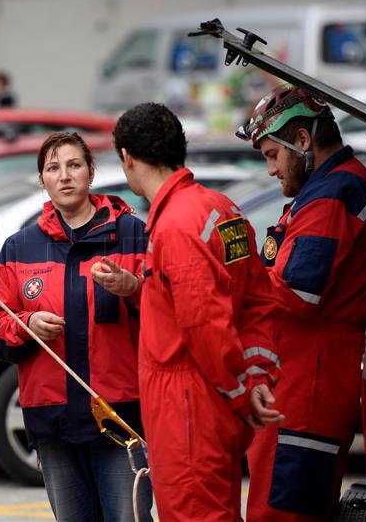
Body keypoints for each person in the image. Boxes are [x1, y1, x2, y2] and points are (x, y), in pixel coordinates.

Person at [111, 102, 284, 521]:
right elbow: (257, 300)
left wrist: (242, 390)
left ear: (127, 158)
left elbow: (205, 324)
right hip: (211, 405)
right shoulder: (221, 210)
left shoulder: (175, 225)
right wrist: (255, 376)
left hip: (186, 408)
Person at [0, 132, 153, 522]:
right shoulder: (20, 246)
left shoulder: (133, 234)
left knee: (130, 518)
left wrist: (135, 290)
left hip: (121, 419)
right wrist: (26, 324)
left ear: (91, 172)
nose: (65, 176)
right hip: (52, 422)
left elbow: (170, 316)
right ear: (42, 180)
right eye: (53, 168)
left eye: (74, 165)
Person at [238, 84, 366, 521]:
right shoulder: (326, 189)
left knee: (283, 511)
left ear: (302, 141)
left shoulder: (333, 194)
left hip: (311, 382)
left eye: (271, 155)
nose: (269, 170)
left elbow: (297, 293)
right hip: (308, 374)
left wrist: (236, 276)